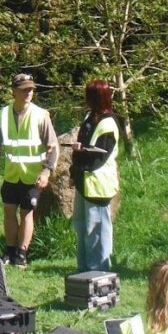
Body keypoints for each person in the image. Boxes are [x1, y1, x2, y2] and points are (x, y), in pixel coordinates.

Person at [0, 72, 58, 268]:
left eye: (31, 89)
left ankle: (22, 253)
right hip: (11, 175)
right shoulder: (3, 115)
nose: (29, 93)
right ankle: (9, 251)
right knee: (9, 211)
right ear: (14, 91)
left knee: (27, 213)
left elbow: (53, 146)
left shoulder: (40, 115)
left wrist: (46, 172)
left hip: (32, 176)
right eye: (24, 89)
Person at [69, 80, 120, 272]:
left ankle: (99, 271)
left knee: (97, 231)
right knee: (82, 228)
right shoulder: (90, 117)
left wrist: (80, 153)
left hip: (99, 186)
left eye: (89, 95)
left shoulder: (109, 122)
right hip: (84, 183)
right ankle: (83, 270)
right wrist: (74, 172)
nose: (85, 99)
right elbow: (83, 147)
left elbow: (98, 158)